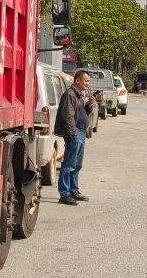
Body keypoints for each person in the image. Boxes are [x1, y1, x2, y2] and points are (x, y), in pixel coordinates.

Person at [55, 69, 96, 205]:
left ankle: (74, 190)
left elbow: (81, 113)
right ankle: (65, 194)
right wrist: (73, 135)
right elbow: (68, 117)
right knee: (69, 165)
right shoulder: (70, 95)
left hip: (81, 133)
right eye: (86, 81)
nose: (88, 84)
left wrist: (89, 105)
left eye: (88, 81)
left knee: (77, 165)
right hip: (75, 134)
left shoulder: (79, 95)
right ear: (77, 80)